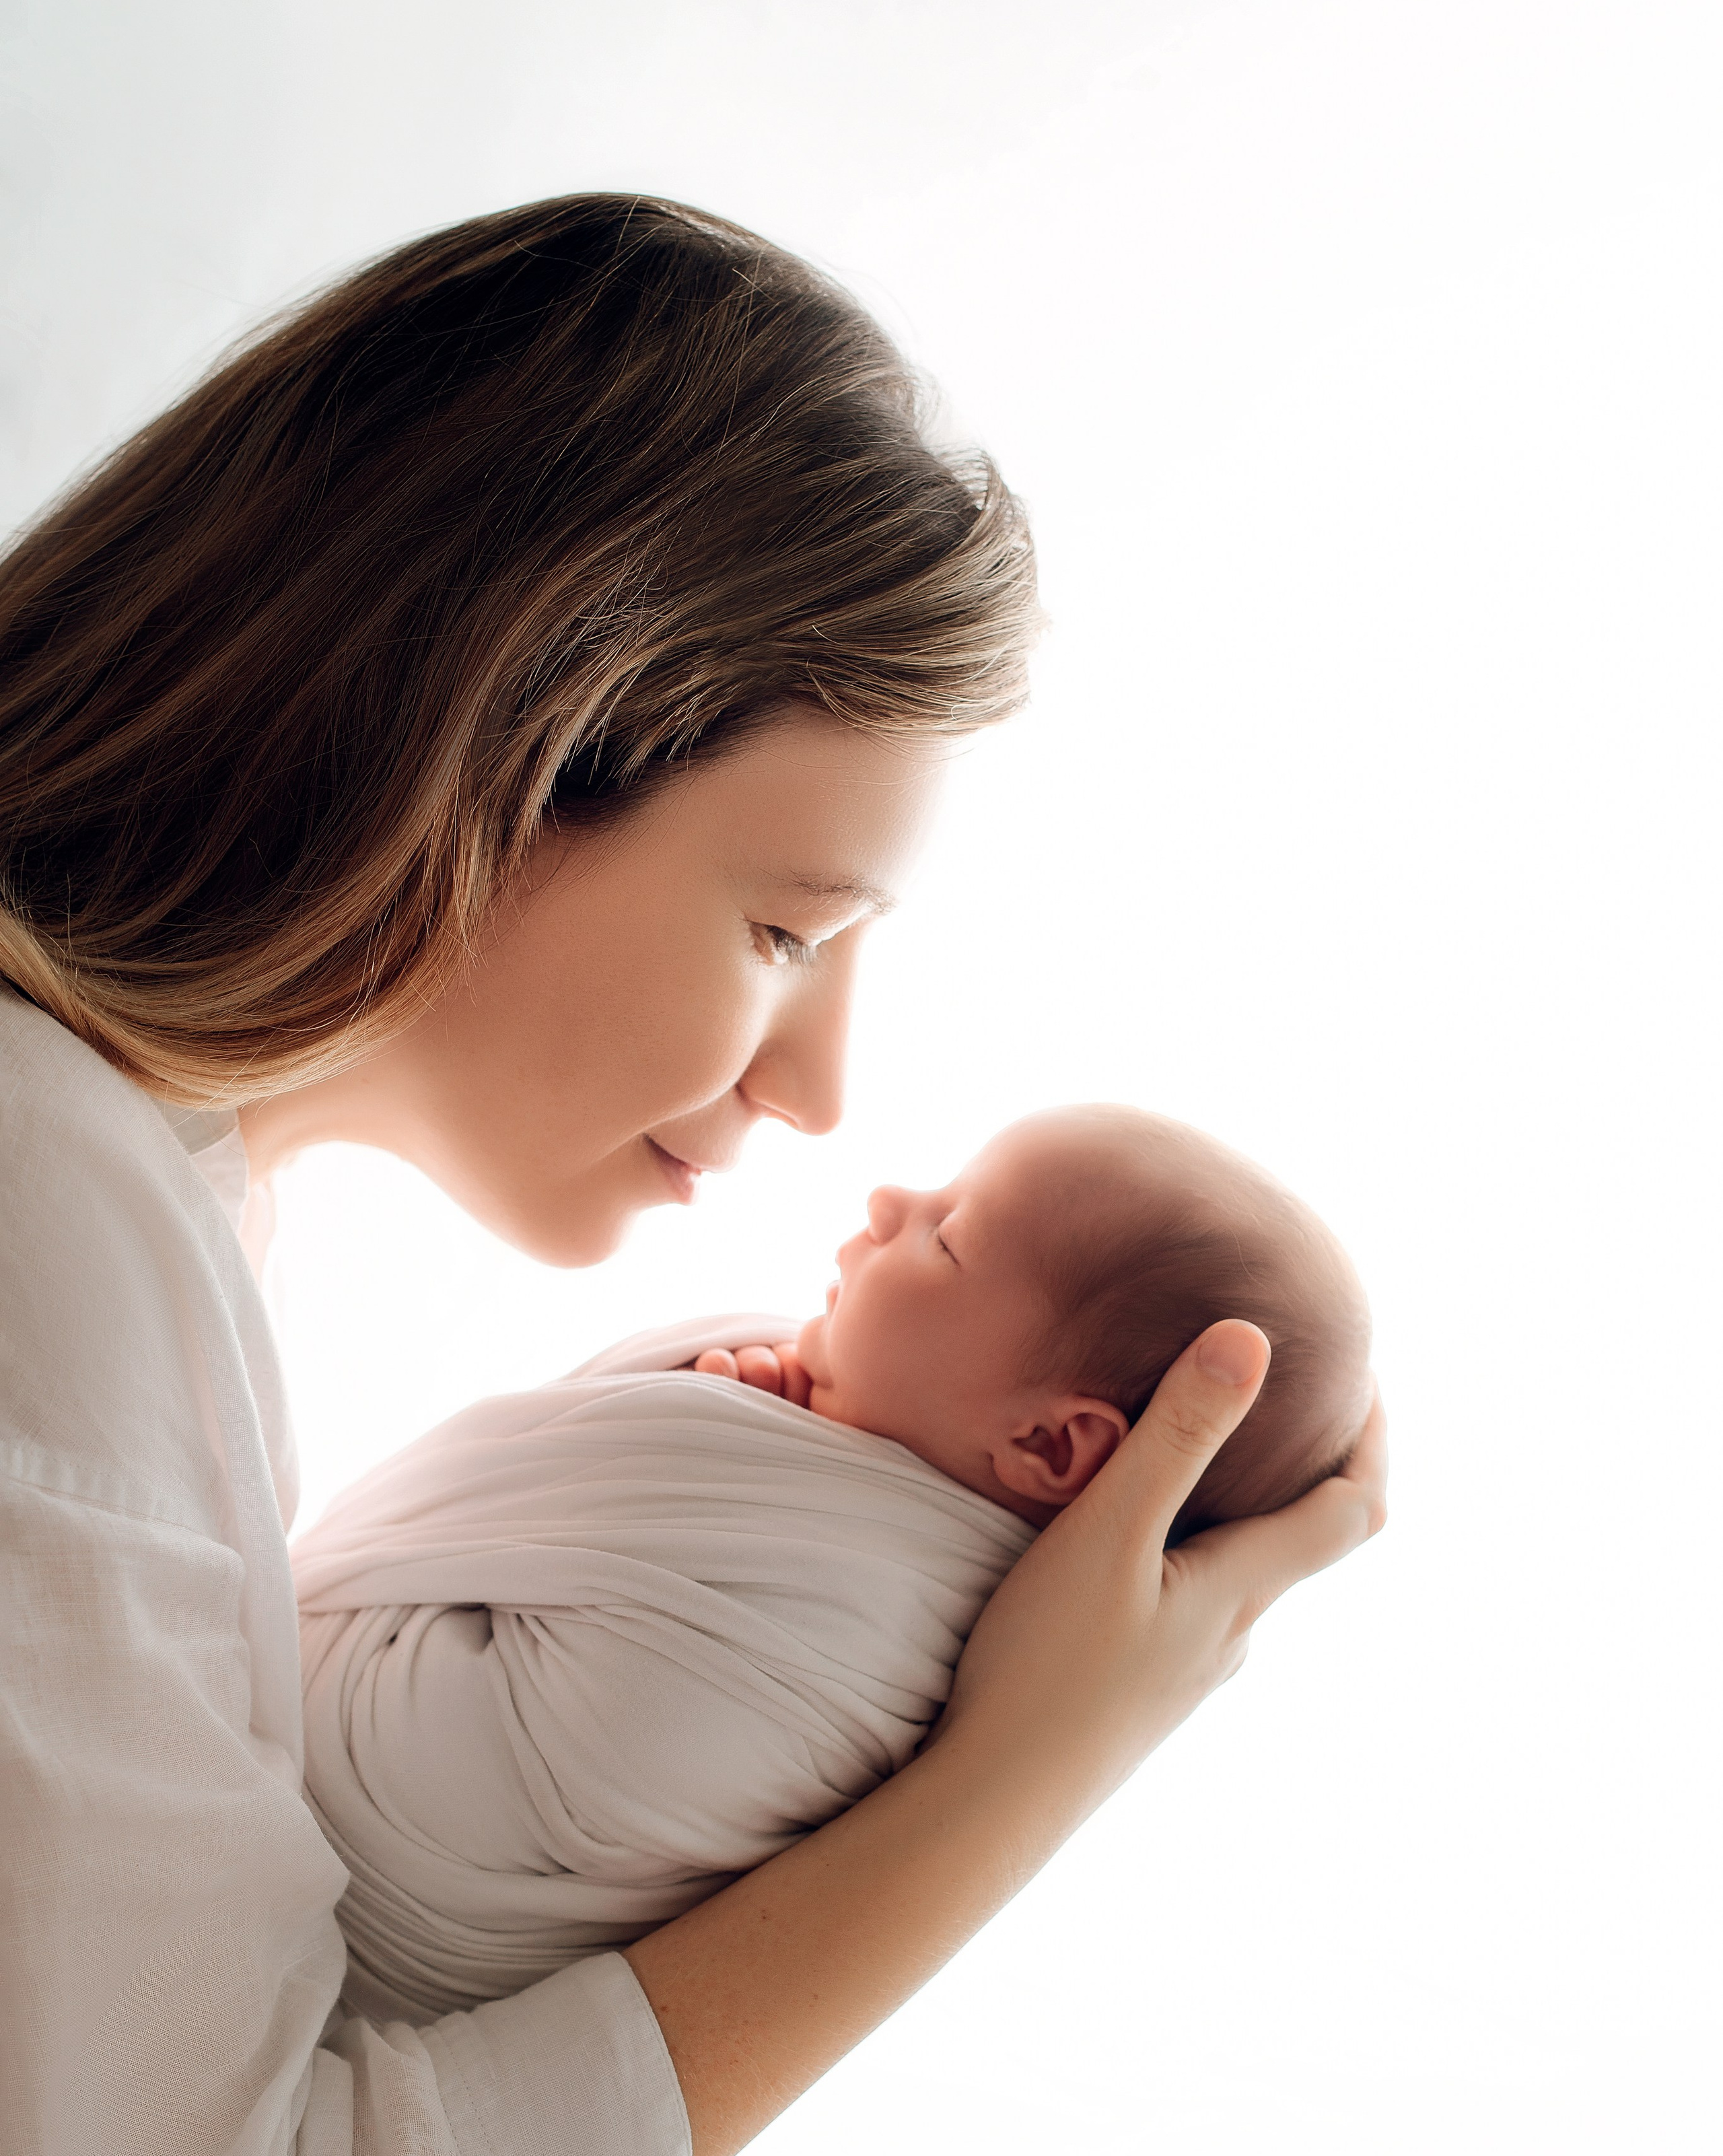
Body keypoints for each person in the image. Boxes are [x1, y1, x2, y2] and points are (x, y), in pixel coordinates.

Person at [0, 195, 1386, 2156]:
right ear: (479, 752)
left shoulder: (148, 1188)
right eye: (780, 934)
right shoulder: (43, 1214)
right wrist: (1006, 1791)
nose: (820, 1092)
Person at [289, 1104, 1374, 2028]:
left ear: (1050, 1446)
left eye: (948, 1237)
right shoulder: (844, 1483)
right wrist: (721, 1431)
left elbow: (599, 1742)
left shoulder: (881, 1638)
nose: (889, 1203)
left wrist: (691, 1440)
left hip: (354, 1915)